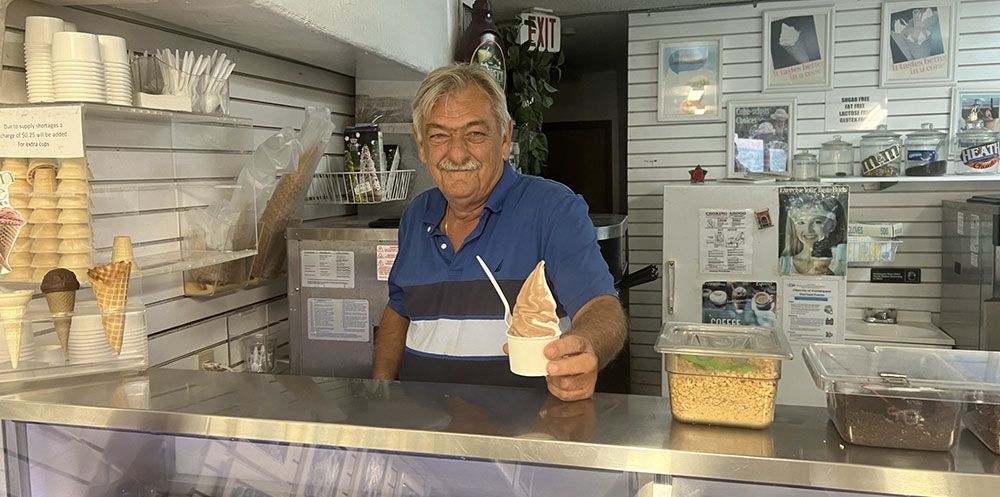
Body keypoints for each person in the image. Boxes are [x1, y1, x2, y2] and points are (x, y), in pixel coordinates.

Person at [373, 64, 627, 402]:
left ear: (505, 138)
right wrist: (381, 390)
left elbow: (600, 307)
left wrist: (587, 347)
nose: (457, 153)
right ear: (421, 144)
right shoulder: (416, 215)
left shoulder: (553, 208)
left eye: (475, 134)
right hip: (423, 427)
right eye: (439, 136)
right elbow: (399, 308)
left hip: (528, 429)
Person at [779, 196, 847, 276]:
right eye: (801, 222)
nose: (808, 230)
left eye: (817, 222)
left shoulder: (841, 261)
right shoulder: (783, 264)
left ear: (832, 225)